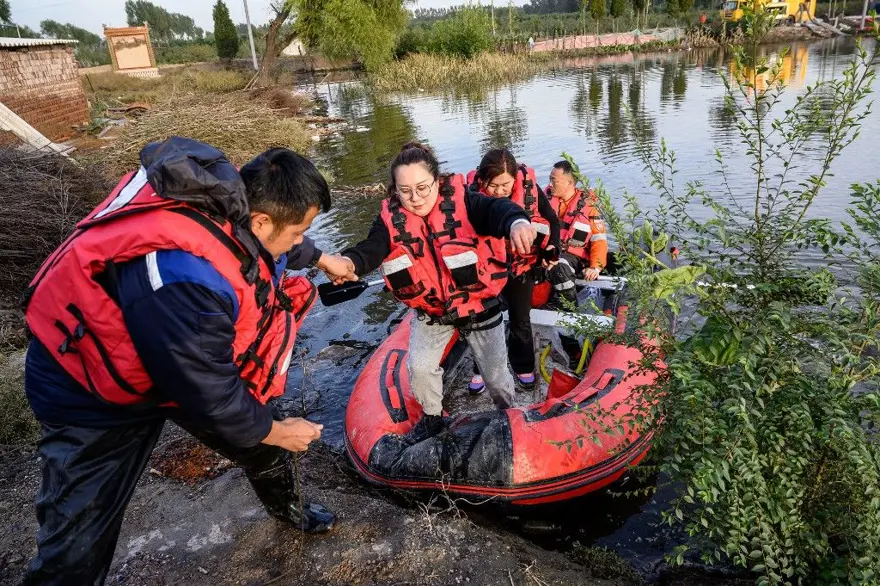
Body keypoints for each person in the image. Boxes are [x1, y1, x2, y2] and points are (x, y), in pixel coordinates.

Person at [20, 137, 353, 585]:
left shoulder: (234, 201)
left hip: (173, 351)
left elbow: (273, 239)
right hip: (90, 387)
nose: (299, 242)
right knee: (80, 534)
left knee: (262, 444)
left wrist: (320, 256)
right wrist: (277, 430)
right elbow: (208, 391)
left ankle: (291, 509)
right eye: (298, 234)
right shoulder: (186, 280)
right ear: (259, 219)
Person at [322, 143, 536, 440]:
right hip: (433, 312)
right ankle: (433, 420)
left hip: (479, 305)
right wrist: (348, 262)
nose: (415, 198)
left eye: (423, 187)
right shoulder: (389, 220)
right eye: (405, 190)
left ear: (437, 181)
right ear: (395, 190)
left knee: (497, 378)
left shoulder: (466, 202)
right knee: (420, 369)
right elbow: (370, 249)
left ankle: (508, 415)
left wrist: (517, 221)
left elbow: (497, 209)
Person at [465, 148, 561, 393]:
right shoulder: (471, 196)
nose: (499, 191)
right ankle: (481, 369)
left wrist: (553, 249)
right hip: (485, 269)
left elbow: (551, 220)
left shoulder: (529, 187)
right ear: (482, 179)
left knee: (520, 319)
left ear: (515, 179)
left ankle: (523, 366)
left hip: (521, 266)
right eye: (492, 185)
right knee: (482, 320)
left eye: (505, 185)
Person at [544, 160, 608, 306]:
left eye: (554, 181)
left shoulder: (589, 208)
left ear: (569, 182)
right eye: (550, 180)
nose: (550, 184)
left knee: (559, 266)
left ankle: (570, 307)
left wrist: (595, 267)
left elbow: (599, 240)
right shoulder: (545, 200)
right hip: (550, 249)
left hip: (575, 257)